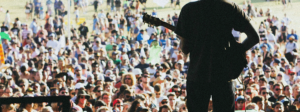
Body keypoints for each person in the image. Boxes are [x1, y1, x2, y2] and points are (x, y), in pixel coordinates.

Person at [174, 0, 259, 111]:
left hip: (197, 75)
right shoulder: (229, 7)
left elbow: (185, 49)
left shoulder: (188, 9)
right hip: (223, 75)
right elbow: (254, 37)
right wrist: (236, 51)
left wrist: (187, 38)